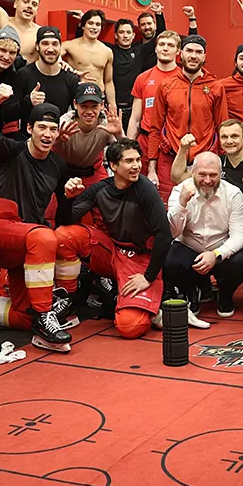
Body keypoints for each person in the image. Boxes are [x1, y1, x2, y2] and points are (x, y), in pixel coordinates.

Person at [0, 87, 81, 351]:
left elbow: (64, 218)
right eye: (41, 127)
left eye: (53, 129)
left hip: (29, 247)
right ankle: (46, 315)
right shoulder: (12, 150)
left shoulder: (58, 165)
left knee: (25, 316)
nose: (47, 134)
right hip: (1, 232)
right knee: (44, 235)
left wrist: (68, 197)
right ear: (30, 128)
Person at [56, 139, 172, 340]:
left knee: (130, 326)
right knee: (63, 236)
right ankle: (69, 299)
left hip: (140, 258)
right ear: (113, 165)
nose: (136, 166)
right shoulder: (100, 189)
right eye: (129, 161)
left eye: (138, 160)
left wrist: (148, 277)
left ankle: (149, 308)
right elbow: (65, 222)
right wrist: (68, 198)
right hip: (112, 250)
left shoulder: (145, 189)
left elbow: (164, 235)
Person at [166, 152, 243, 320]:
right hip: (189, 247)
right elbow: (172, 233)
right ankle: (192, 293)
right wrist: (182, 204)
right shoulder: (179, 190)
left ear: (221, 174)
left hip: (220, 249)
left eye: (213, 175)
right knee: (170, 261)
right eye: (202, 174)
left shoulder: (233, 193)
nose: (207, 180)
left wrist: (216, 254)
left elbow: (240, 235)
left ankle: (225, 295)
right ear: (192, 172)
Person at [146, 35, 229, 203]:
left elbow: (222, 127)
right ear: (181, 53)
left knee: (205, 207)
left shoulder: (215, 87)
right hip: (170, 157)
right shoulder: (166, 85)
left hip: (204, 160)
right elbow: (155, 128)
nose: (193, 56)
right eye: (189, 51)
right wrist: (151, 168)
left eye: (198, 52)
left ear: (204, 57)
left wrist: (222, 163)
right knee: (170, 207)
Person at [12, 27, 79, 139]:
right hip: (27, 142)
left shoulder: (71, 79)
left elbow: (79, 113)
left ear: (60, 46)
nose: (50, 49)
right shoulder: (24, 74)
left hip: (59, 141)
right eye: (45, 43)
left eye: (55, 44)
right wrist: (28, 101)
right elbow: (7, 113)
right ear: (37, 46)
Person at [54, 83, 123, 188]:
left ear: (102, 105)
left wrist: (119, 134)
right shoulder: (65, 122)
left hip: (92, 173)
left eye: (94, 106)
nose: (89, 112)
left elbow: (128, 152)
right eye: (84, 106)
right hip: (61, 172)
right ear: (75, 104)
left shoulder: (107, 124)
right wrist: (56, 140)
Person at [105, 9, 164, 129]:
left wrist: (159, 14)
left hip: (134, 109)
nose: (125, 35)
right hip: (113, 108)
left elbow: (160, 35)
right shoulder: (109, 50)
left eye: (128, 32)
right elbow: (89, 41)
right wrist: (82, 24)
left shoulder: (140, 51)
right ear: (116, 35)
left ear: (133, 35)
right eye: (121, 32)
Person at [127, 30, 180, 160]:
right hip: (146, 139)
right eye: (161, 44)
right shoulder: (143, 78)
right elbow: (135, 118)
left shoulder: (184, 79)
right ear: (156, 49)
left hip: (173, 141)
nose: (165, 48)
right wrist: (129, 147)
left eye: (170, 45)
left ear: (178, 51)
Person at [61, 10, 115, 107]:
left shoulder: (107, 51)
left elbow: (108, 82)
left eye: (98, 24)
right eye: (90, 23)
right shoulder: (69, 46)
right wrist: (62, 63)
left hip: (98, 98)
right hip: (76, 96)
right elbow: (51, 57)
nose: (94, 27)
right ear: (83, 25)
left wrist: (113, 105)